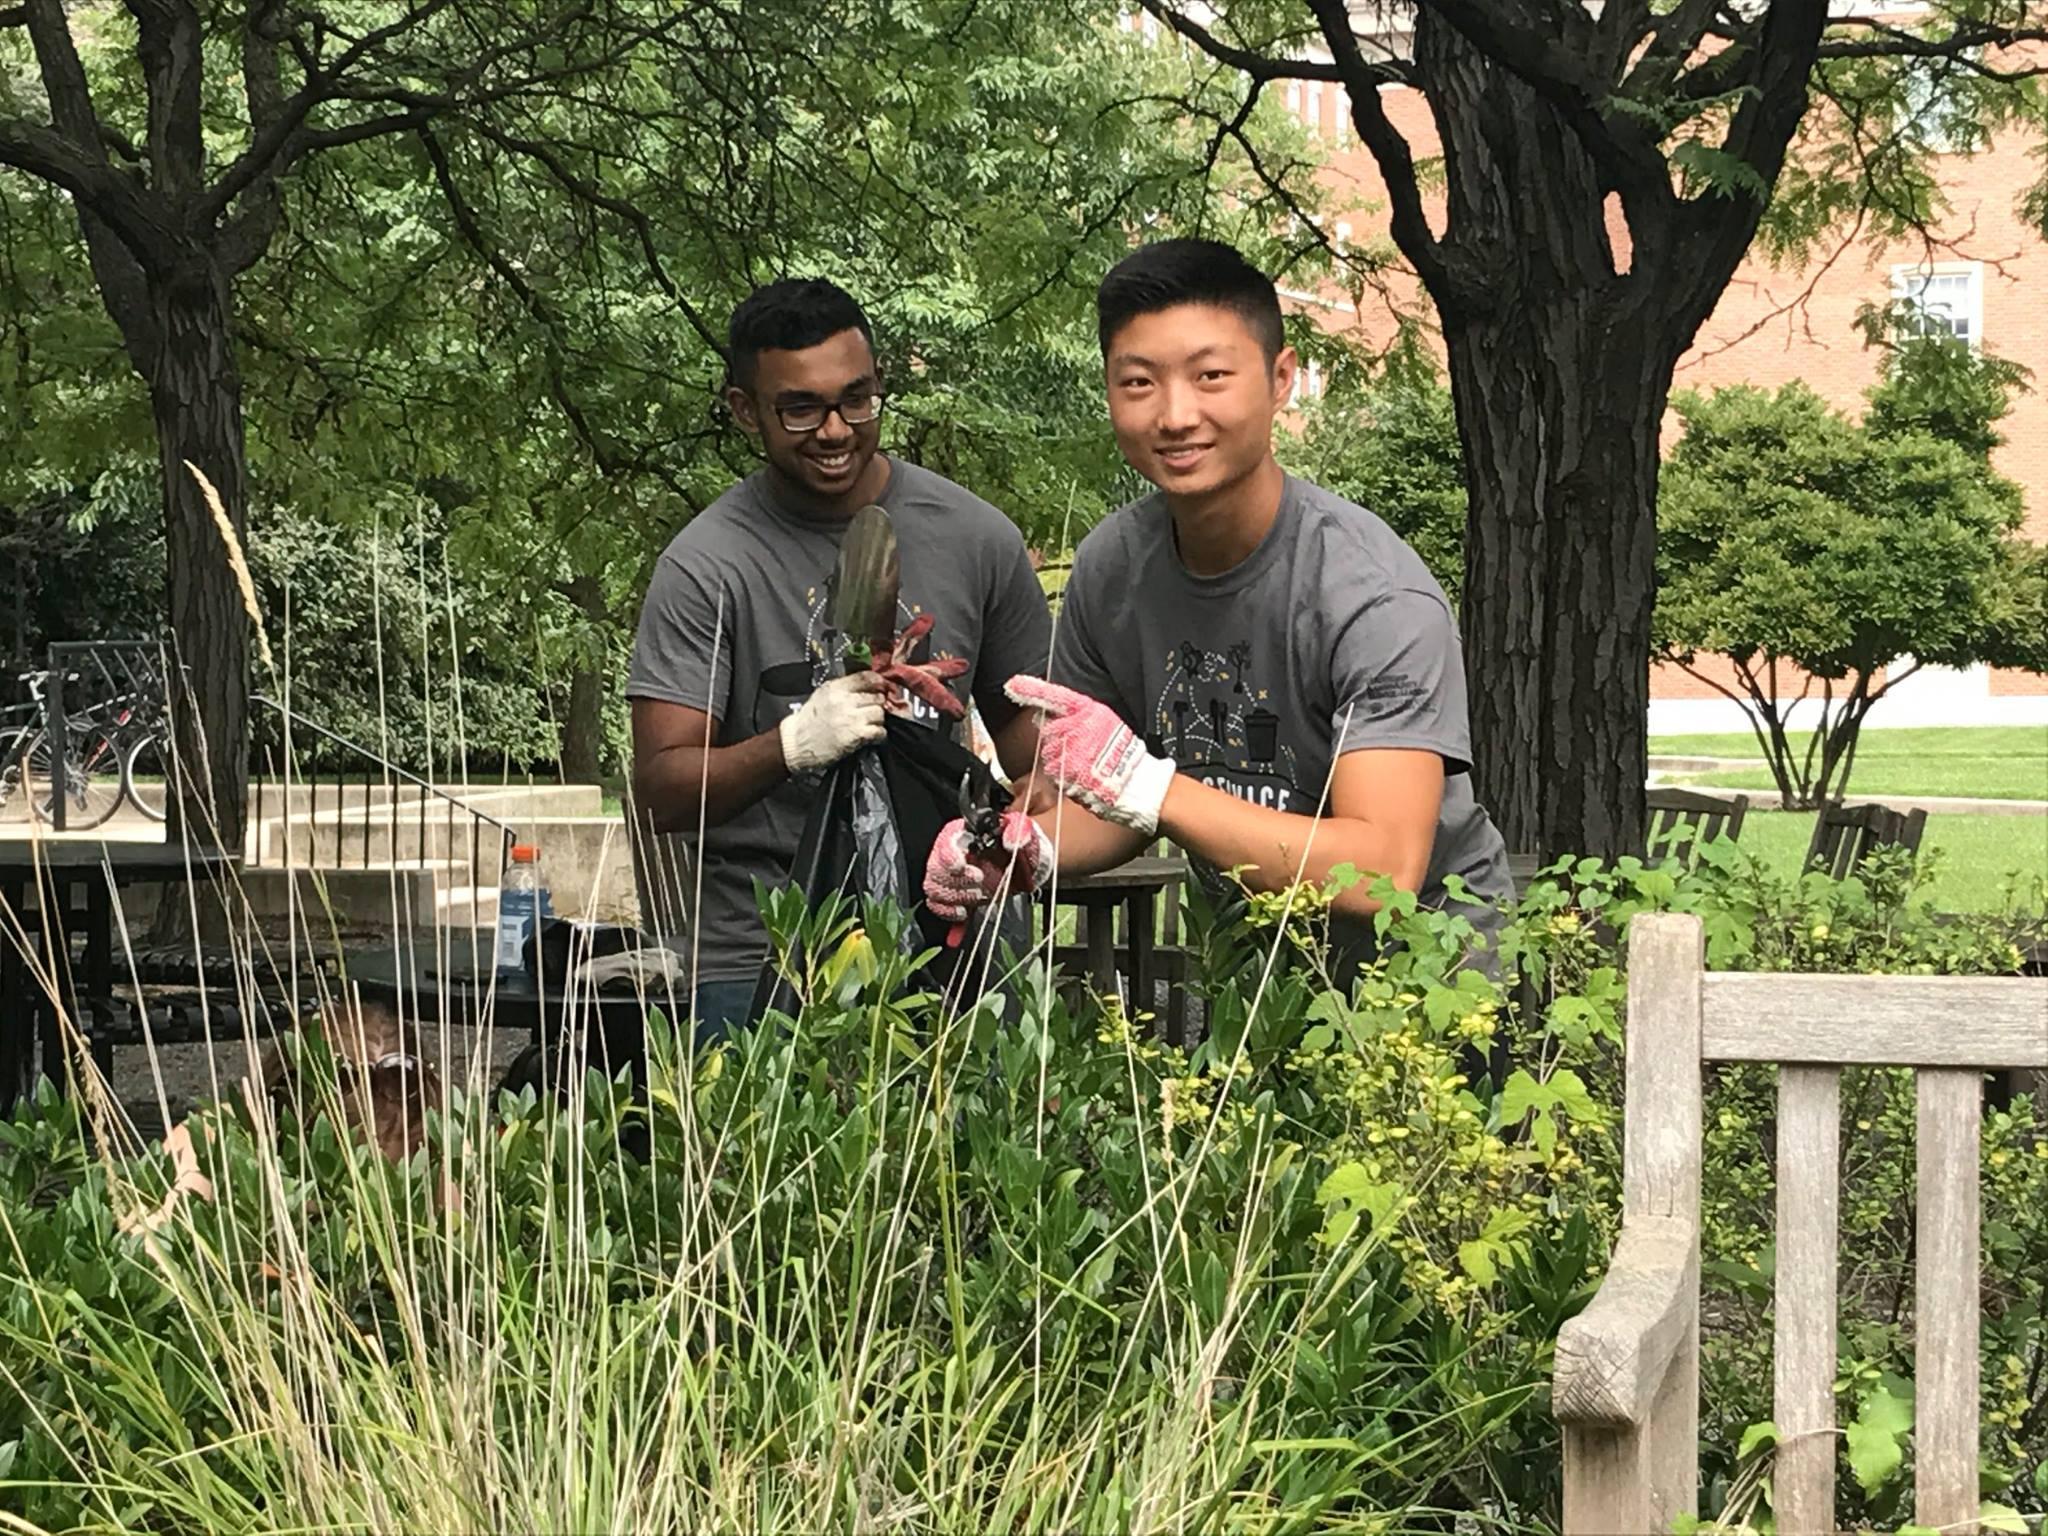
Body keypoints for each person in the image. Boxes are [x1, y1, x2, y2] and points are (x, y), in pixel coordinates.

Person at [924, 238, 1513, 978]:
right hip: (1248, 974)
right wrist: (1021, 850)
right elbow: (1107, 806)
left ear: (1281, 379)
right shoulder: (1112, 569)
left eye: (1210, 377)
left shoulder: (1371, 594)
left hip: (1427, 979)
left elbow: (1382, 869)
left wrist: (1150, 785)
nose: (1175, 414)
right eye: (1138, 382)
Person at [629, 279, 1053, 1037]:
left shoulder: (977, 540)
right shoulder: (706, 567)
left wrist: (1004, 838)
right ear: (744, 409)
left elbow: (1042, 761)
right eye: (800, 408)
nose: (835, 430)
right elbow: (663, 789)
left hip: (947, 949)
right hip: (765, 957)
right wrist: (791, 746)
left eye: (857, 400)